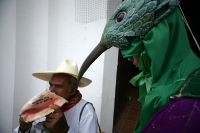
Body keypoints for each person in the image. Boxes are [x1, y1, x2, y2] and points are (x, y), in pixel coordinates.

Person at [13, 59, 98, 133]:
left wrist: (64, 130)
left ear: (72, 90)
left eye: (58, 86)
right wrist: (24, 128)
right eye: (51, 85)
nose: (52, 90)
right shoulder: (44, 102)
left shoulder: (86, 111)